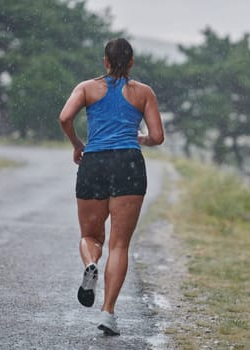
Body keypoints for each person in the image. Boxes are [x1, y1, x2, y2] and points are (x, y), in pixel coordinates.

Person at [58, 38, 164, 336]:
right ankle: (108, 313)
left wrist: (77, 143)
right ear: (131, 63)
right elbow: (157, 136)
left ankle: (90, 263)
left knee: (91, 235)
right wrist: (140, 138)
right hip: (128, 164)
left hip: (94, 163)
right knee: (119, 244)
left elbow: (65, 117)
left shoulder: (87, 88)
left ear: (105, 61)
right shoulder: (143, 92)